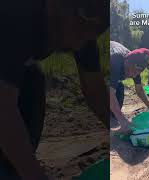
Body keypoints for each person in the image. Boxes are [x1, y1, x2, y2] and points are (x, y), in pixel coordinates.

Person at [0, 0, 108, 179]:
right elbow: (4, 110)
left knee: (33, 80)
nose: (78, 45)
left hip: (22, 72)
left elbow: (95, 90)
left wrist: (119, 131)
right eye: (80, 32)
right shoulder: (16, 14)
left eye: (92, 34)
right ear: (54, 5)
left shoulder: (82, 25)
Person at [110, 41, 149, 134]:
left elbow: (139, 89)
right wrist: (123, 120)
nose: (136, 74)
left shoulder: (136, 63)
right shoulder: (115, 60)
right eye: (135, 70)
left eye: (140, 71)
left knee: (118, 90)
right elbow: (110, 93)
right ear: (127, 63)